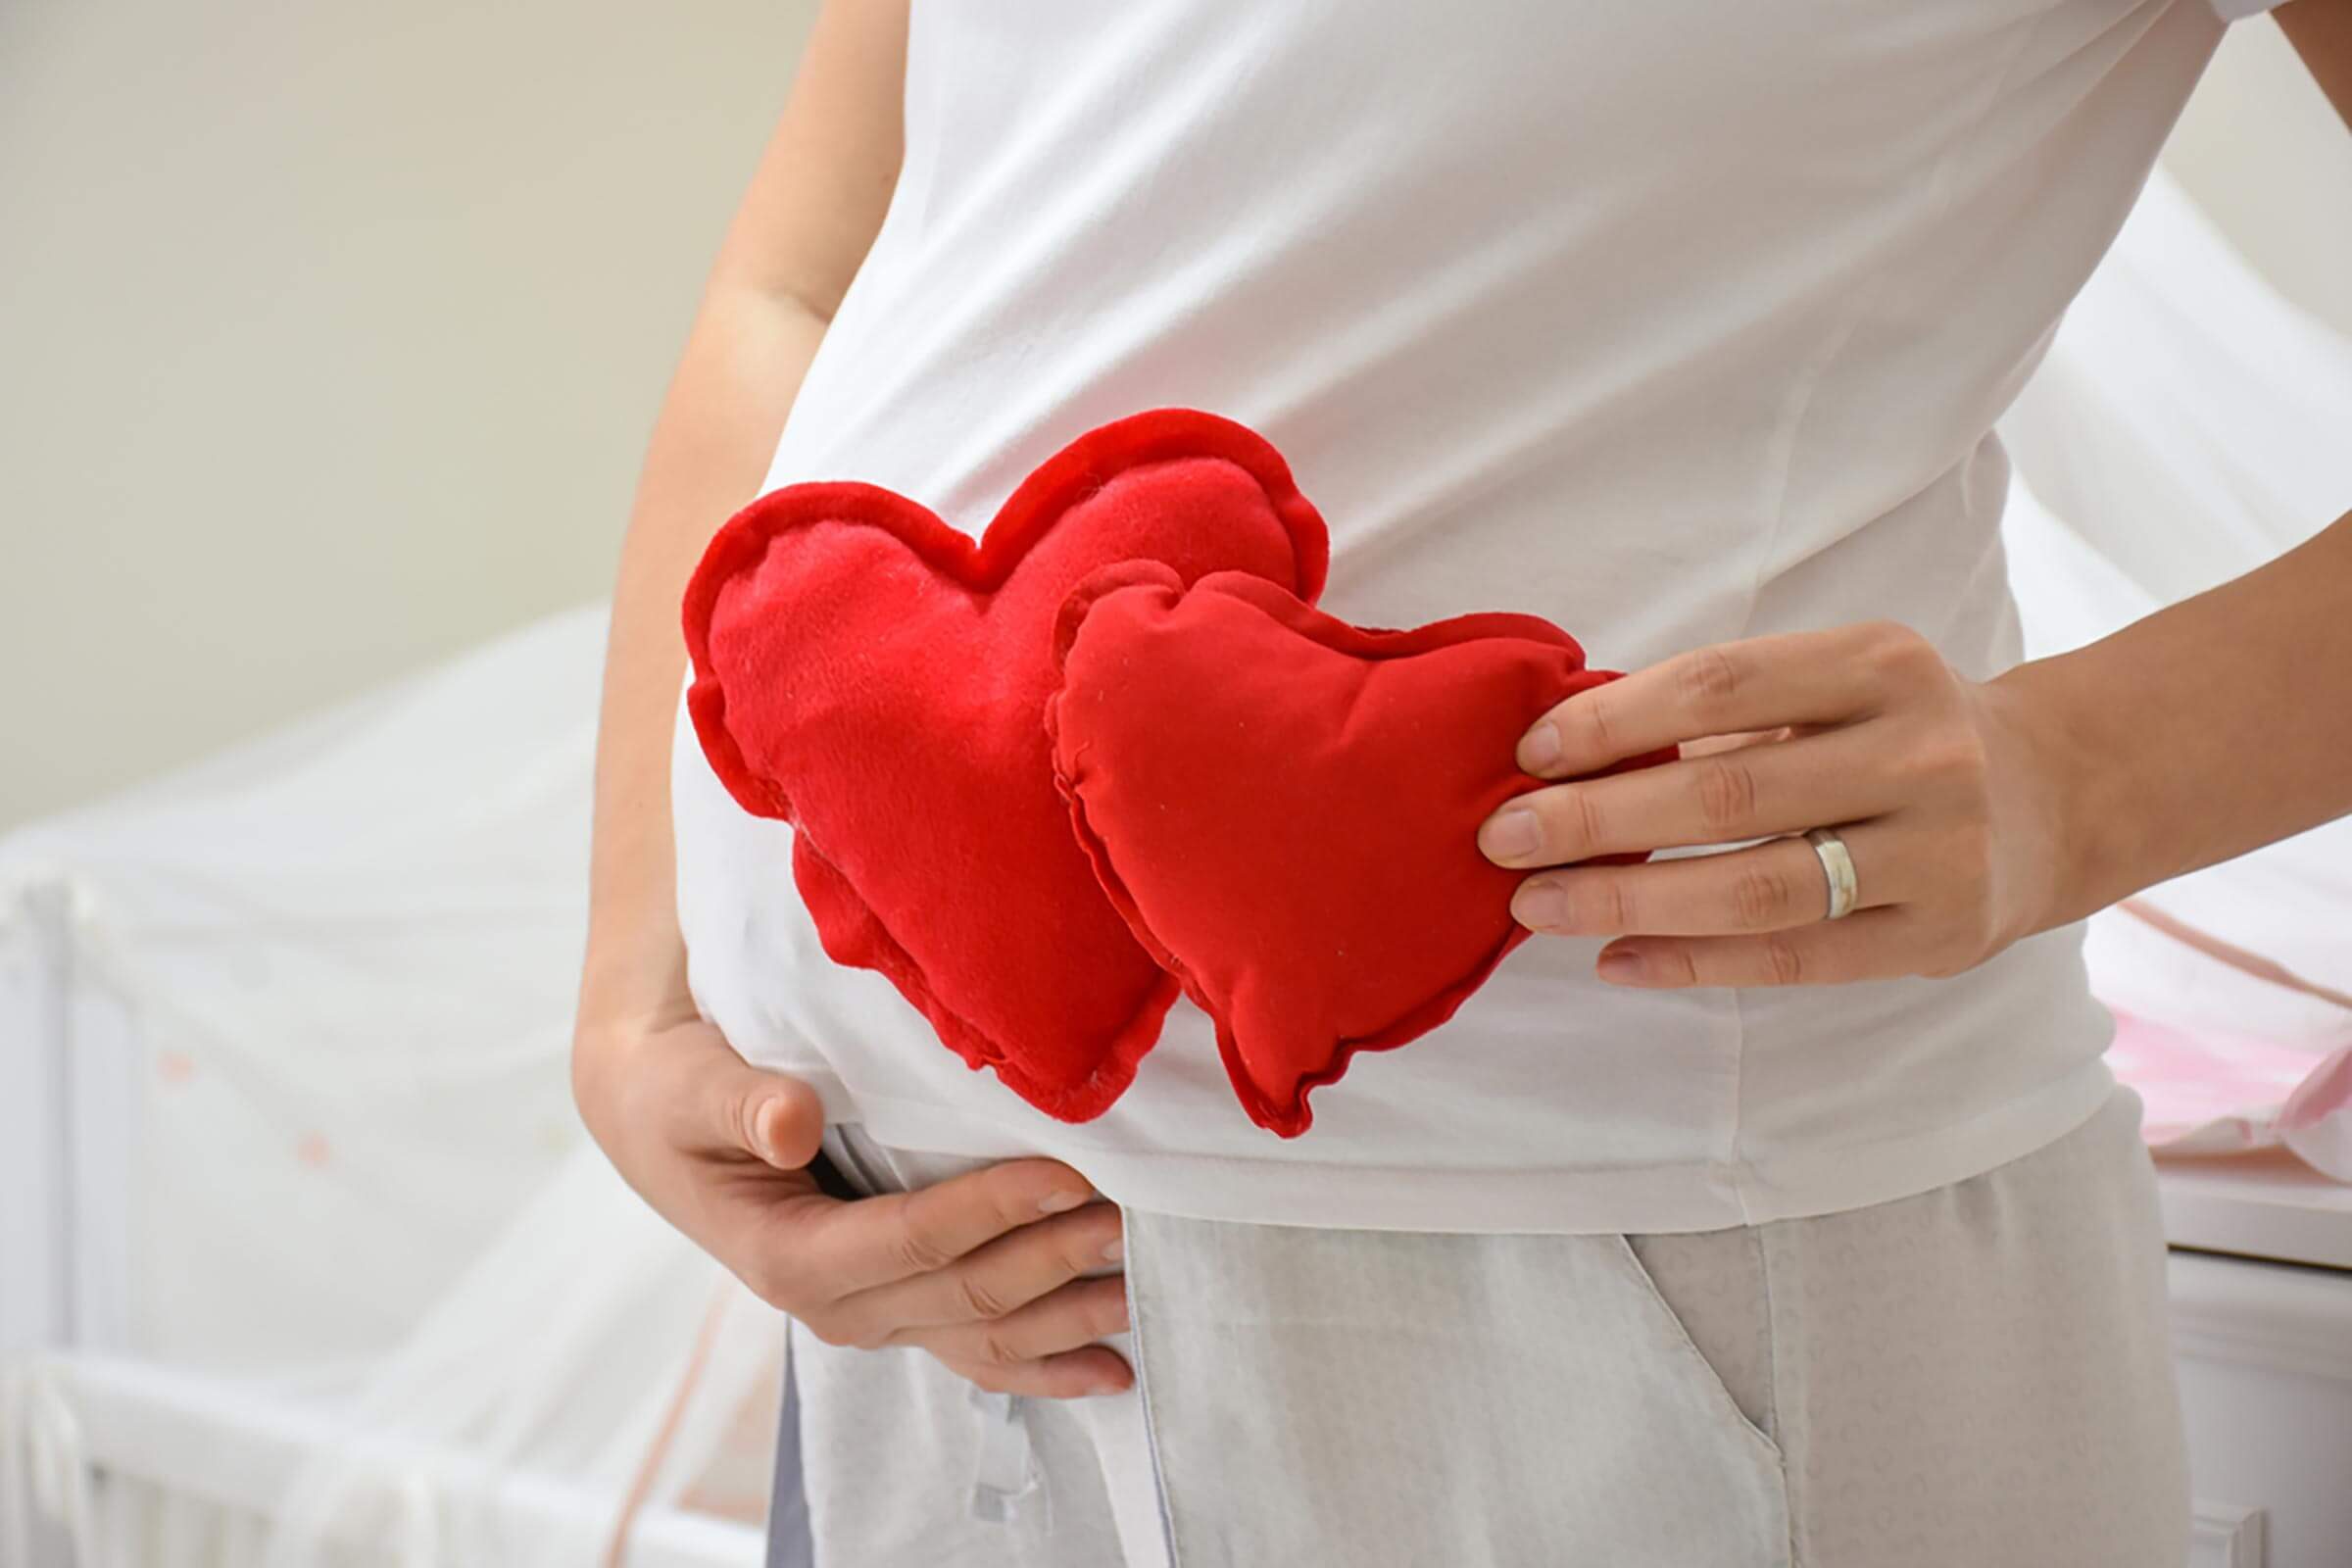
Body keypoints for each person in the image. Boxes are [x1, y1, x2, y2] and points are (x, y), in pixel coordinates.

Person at [571, 2, 2352, 1563]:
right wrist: (640, 989)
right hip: (908, 1296)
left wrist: (2078, 779)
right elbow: (802, 281)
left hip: (1630, 1281)